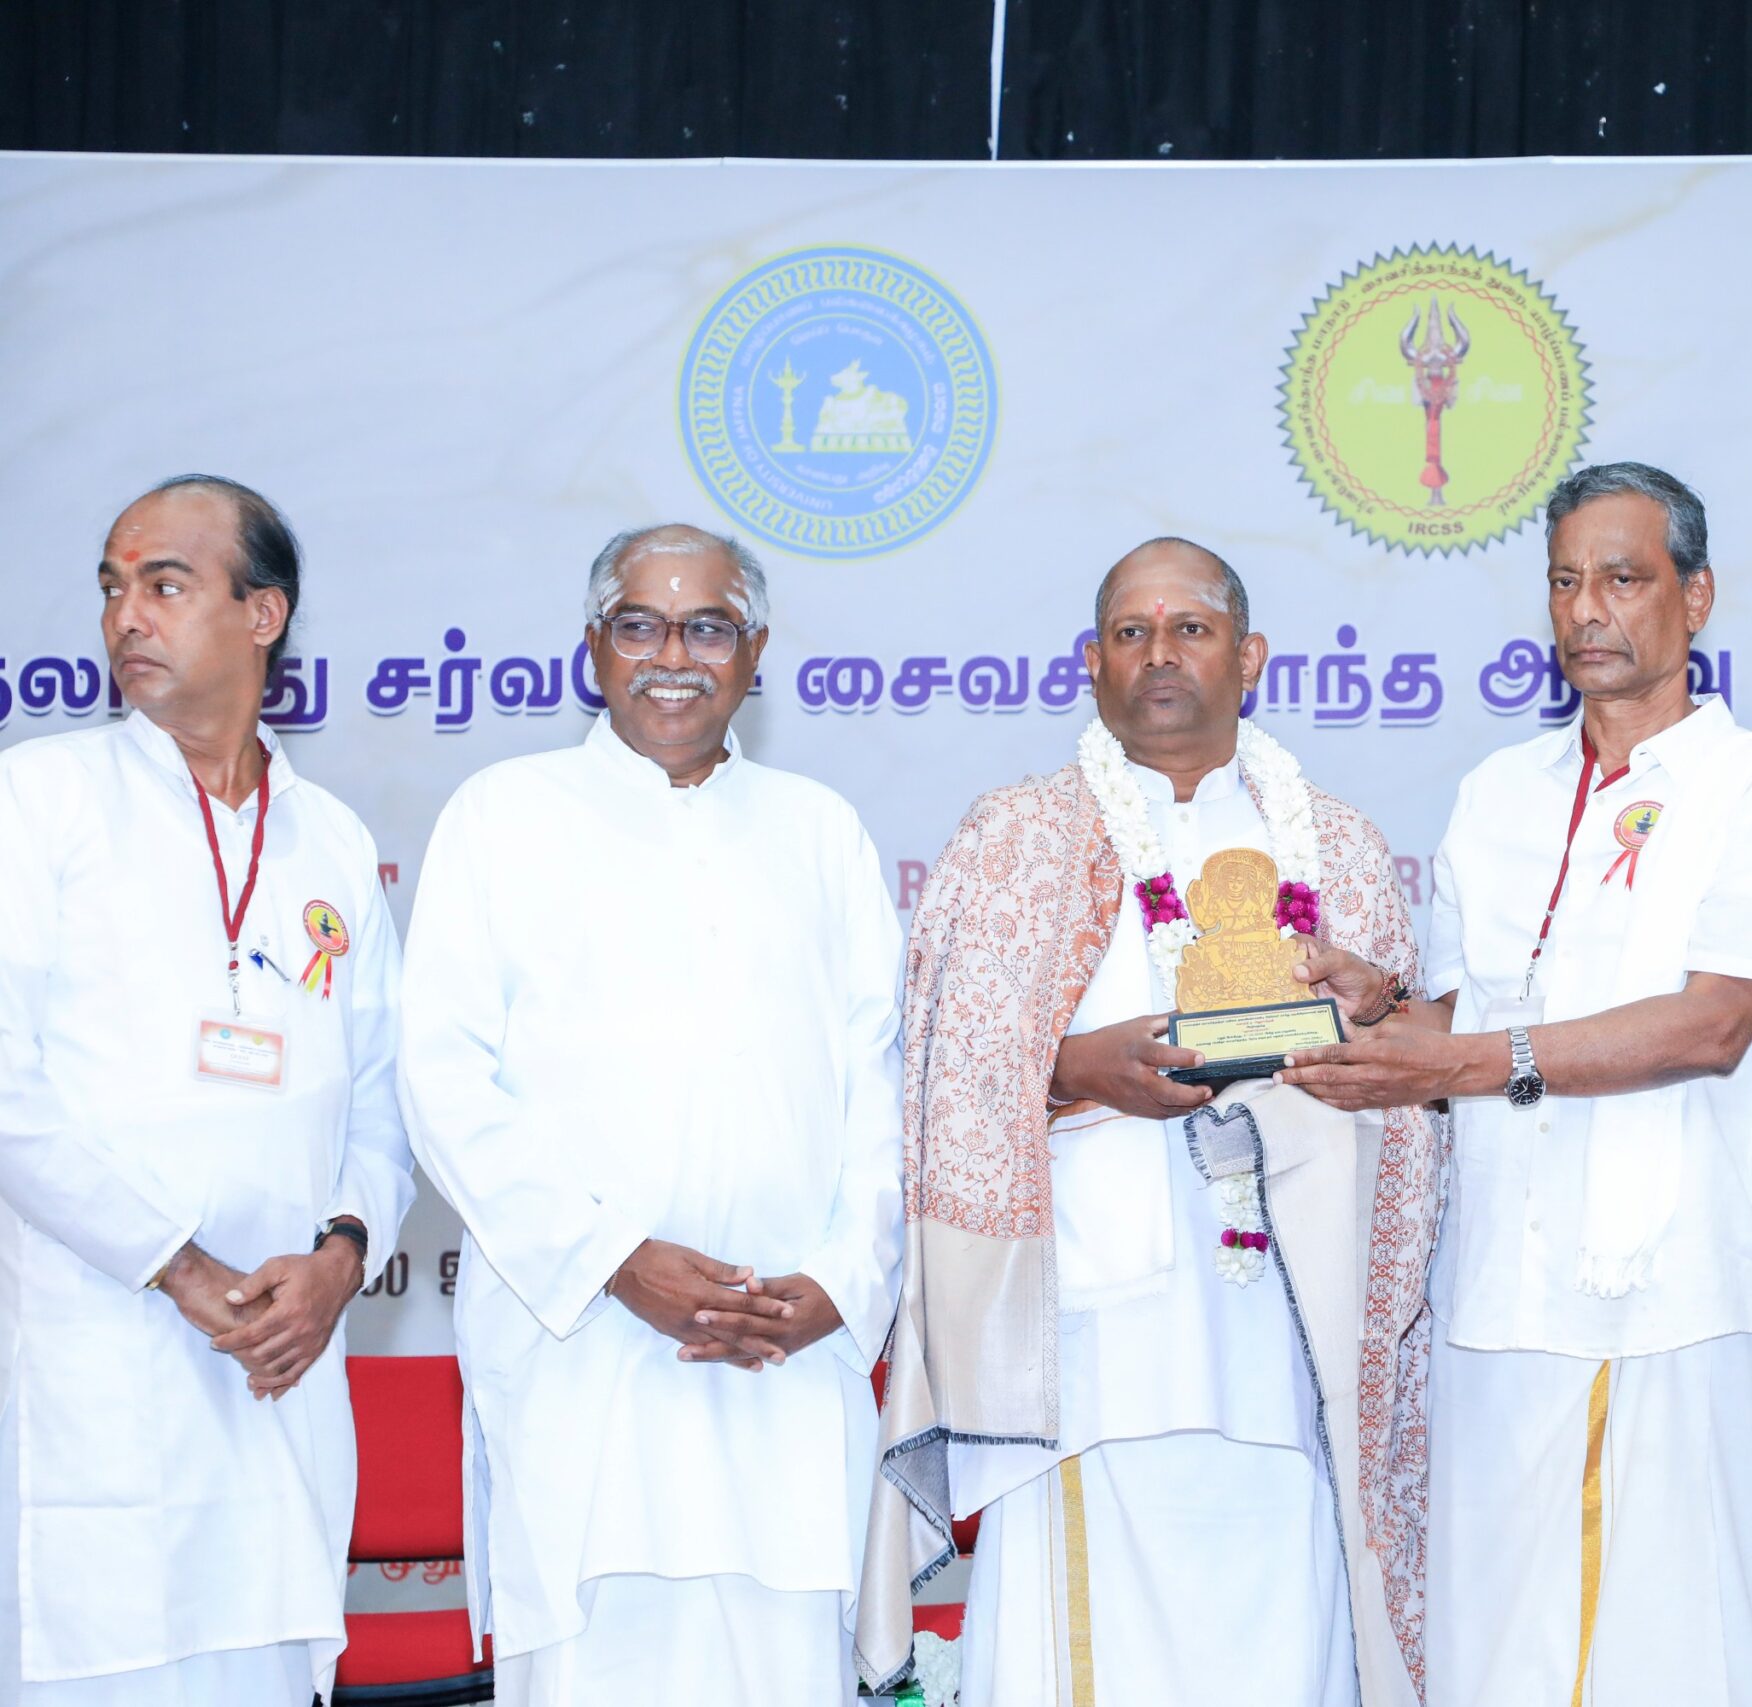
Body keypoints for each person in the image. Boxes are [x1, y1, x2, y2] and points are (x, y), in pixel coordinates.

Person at [1279, 462, 1752, 1706]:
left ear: (1695, 597)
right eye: (1563, 581)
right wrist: (1378, 1009)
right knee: (1499, 1650)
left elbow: (1713, 1024)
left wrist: (1462, 1058)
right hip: (1497, 1292)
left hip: (1674, 1293)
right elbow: (1467, 1016)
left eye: (1622, 579)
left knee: (1669, 1654)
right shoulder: (1499, 794)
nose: (1586, 608)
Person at [858, 539, 1443, 1707]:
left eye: (1191, 628)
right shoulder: (1012, 839)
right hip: (1089, 1345)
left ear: (1249, 657)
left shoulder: (1337, 848)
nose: (1160, 653)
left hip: (1285, 1342)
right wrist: (1079, 1069)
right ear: (1092, 662)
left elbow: (1416, 1098)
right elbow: (938, 1077)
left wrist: (1372, 1010)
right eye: (1131, 632)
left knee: (1281, 1633)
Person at [398, 524, 903, 1707]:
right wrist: (613, 1262)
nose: (673, 656)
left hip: (786, 1363)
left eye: (708, 626)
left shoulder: (820, 831)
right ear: (594, 646)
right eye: (641, 624)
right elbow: (443, 1079)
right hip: (584, 1357)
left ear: (755, 650)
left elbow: (880, 1083)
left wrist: (841, 1283)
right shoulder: (502, 814)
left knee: (784, 1668)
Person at [0, 475, 412, 1704]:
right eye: (113, 588)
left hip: (278, 1375)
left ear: (262, 613)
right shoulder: (41, 799)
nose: (126, 615)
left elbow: (386, 1100)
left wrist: (340, 1260)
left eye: (166, 584)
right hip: (98, 1362)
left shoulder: (330, 837)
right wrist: (178, 1266)